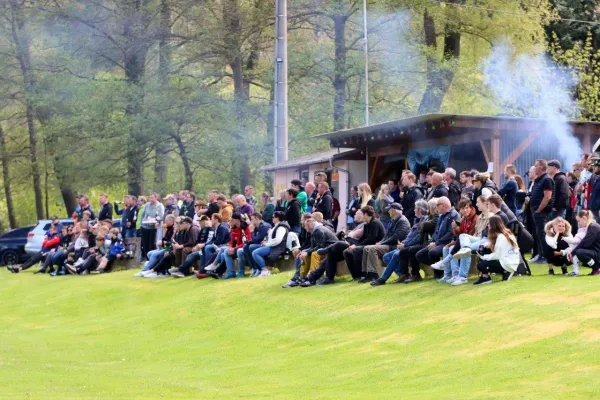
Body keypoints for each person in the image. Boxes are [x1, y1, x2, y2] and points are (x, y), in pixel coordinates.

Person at [371, 200, 430, 286]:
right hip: (406, 245)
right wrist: (403, 243)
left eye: (415, 208)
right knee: (386, 256)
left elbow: (417, 238)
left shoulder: (424, 221)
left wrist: (404, 245)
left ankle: (382, 279)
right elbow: (410, 236)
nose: (413, 210)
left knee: (395, 254)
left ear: (419, 210)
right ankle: (403, 275)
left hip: (414, 246)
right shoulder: (416, 220)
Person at [300, 210, 366, 286]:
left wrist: (351, 235)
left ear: (363, 215)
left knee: (338, 244)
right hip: (347, 245)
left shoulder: (367, 225)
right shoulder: (358, 225)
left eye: (356, 214)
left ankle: (312, 275)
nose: (354, 215)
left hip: (353, 245)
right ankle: (326, 278)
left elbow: (363, 237)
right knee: (331, 254)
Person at [359, 203, 411, 283]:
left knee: (371, 249)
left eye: (390, 210)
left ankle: (373, 274)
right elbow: (387, 235)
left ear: (394, 211)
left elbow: (396, 237)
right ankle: (367, 274)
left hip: (395, 246)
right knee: (367, 248)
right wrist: (381, 242)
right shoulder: (394, 220)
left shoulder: (402, 221)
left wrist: (382, 243)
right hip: (389, 244)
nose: (388, 211)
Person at [431, 198, 479, 282]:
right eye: (463, 208)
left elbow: (469, 235)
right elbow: (460, 234)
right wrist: (455, 228)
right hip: (463, 240)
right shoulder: (464, 219)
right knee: (445, 248)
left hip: (471, 241)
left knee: (451, 248)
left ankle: (457, 275)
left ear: (471, 208)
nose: (465, 210)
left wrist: (456, 231)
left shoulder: (475, 218)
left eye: (467, 208)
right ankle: (448, 275)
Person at [282, 217, 339, 288]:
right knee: (306, 253)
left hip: (332, 251)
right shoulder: (314, 230)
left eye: (305, 226)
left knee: (314, 254)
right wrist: (304, 252)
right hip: (325, 249)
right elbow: (313, 247)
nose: (304, 228)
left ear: (309, 226)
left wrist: (307, 252)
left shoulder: (319, 230)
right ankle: (302, 277)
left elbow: (321, 246)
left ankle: (313, 278)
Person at [449, 194, 493, 285]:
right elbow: (464, 233)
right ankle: (456, 275)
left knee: (465, 248)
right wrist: (455, 228)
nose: (476, 204)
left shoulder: (488, 217)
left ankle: (462, 276)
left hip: (484, 241)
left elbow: (486, 235)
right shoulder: (479, 217)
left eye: (478, 202)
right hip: (477, 239)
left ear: (485, 203)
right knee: (462, 240)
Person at [413, 197, 460, 281]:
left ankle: (438, 273)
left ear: (444, 205)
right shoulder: (441, 216)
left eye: (437, 205)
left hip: (447, 242)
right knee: (419, 254)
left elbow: (450, 234)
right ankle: (441, 268)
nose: (436, 207)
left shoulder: (453, 215)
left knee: (433, 252)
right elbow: (436, 231)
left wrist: (436, 243)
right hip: (437, 242)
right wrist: (433, 241)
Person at [472, 216, 520, 285]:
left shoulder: (501, 237)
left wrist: (483, 257)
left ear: (493, 225)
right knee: (486, 250)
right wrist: (489, 244)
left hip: (507, 263)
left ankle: (488, 277)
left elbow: (497, 256)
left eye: (489, 224)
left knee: (481, 265)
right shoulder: (507, 233)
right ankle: (504, 272)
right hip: (512, 261)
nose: (488, 226)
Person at [342, 206, 386, 280]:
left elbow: (371, 239)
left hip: (376, 245)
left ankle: (363, 275)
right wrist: (354, 245)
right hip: (368, 244)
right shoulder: (366, 224)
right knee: (346, 252)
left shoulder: (375, 223)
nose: (360, 216)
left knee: (356, 250)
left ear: (365, 214)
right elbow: (363, 239)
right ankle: (356, 276)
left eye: (362, 214)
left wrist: (356, 246)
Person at [530, 159, 554, 265]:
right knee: (538, 234)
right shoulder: (538, 180)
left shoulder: (546, 180)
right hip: (536, 211)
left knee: (542, 234)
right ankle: (540, 254)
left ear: (540, 167)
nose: (534, 168)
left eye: (535, 166)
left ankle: (545, 256)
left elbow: (547, 196)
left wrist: (539, 210)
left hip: (542, 212)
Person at [251, 211, 290, 277]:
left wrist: (267, 244)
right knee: (253, 248)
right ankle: (259, 269)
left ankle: (265, 270)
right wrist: (266, 242)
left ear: (277, 218)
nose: (272, 218)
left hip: (277, 248)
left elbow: (278, 240)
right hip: (272, 246)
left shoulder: (281, 227)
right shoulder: (276, 226)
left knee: (255, 253)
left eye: (273, 217)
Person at [239, 213, 271, 278]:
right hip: (259, 244)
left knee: (251, 247)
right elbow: (254, 239)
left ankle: (259, 269)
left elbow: (257, 240)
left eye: (252, 219)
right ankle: (254, 268)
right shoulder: (257, 226)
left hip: (266, 245)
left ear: (257, 218)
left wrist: (251, 231)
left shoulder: (264, 226)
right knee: (245, 247)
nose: (251, 221)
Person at [569, 210, 600, 275]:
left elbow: (585, 243)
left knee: (580, 252)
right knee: (579, 252)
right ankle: (595, 269)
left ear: (584, 218)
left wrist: (572, 253)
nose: (578, 223)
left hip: (598, 253)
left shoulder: (593, 227)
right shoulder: (591, 226)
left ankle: (596, 268)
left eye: (579, 221)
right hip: (596, 252)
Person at [140, 193, 165, 260]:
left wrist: (158, 221)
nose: (151, 199)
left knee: (151, 243)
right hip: (145, 226)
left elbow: (161, 216)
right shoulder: (147, 205)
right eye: (150, 198)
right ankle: (147, 258)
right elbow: (144, 214)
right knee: (145, 243)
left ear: (156, 198)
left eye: (152, 198)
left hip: (153, 227)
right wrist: (141, 223)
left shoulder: (160, 206)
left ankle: (152, 258)